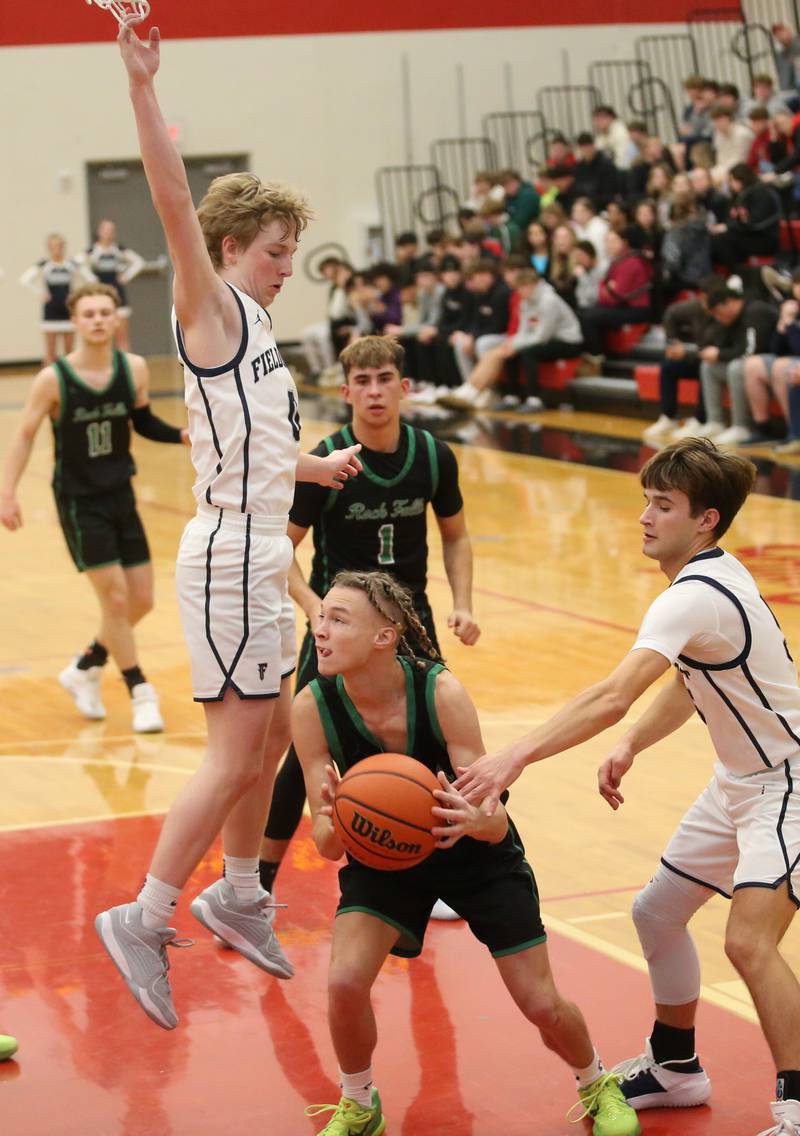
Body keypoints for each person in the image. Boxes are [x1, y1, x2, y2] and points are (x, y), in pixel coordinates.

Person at [92, 22, 363, 1030]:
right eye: (276, 252)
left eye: (291, 251)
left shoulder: (261, 335)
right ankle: (143, 914)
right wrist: (140, 83)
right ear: (231, 250)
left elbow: (246, 442)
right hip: (228, 554)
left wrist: (314, 466)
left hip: (256, 543)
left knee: (268, 740)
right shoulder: (208, 306)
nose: (289, 265)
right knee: (235, 751)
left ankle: (240, 892)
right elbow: (171, 197)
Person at [456, 437, 800, 1136]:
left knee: (749, 943)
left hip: (788, 783)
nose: (645, 516)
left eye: (663, 505)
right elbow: (691, 678)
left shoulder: (696, 594)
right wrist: (633, 744)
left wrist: (515, 756)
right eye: (647, 501)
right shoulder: (711, 579)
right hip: (738, 783)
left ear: (705, 520)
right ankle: (675, 1066)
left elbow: (613, 694)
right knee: (657, 913)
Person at [294, 569, 641, 1136]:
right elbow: (329, 848)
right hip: (384, 857)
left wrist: (476, 820)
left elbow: (493, 820)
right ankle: (359, 1104)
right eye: (320, 616)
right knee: (344, 982)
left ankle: (597, 1083)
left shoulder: (440, 693)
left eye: (338, 619)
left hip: (473, 853)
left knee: (540, 1004)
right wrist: (334, 815)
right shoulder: (312, 705)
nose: (321, 629)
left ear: (383, 637)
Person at [260, 335, 480, 908]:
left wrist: (463, 602)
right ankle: (256, 885)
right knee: (302, 756)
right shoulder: (329, 458)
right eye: (363, 381)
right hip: (339, 626)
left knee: (433, 746)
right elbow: (280, 547)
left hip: (410, 622)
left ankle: (440, 874)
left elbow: (456, 537)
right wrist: (312, 605)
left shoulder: (432, 455)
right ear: (345, 391)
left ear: (404, 387)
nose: (375, 391)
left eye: (385, 380)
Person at [0, 282, 186, 732]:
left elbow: (142, 421)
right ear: (75, 321)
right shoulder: (54, 379)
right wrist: (7, 492)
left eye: (105, 312)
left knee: (141, 599)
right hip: (79, 501)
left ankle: (85, 666)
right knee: (116, 599)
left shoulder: (133, 368)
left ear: (116, 318)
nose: (99, 320)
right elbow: (24, 434)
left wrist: (182, 435)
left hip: (122, 493)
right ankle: (140, 690)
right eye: (89, 314)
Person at [19, 234, 89, 364]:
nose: (56, 249)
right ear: (48, 248)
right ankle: (48, 375)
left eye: (59, 246)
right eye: (53, 246)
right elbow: (24, 280)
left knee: (69, 351)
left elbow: (91, 278)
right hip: (51, 310)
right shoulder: (44, 264)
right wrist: (40, 293)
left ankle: (68, 375)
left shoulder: (71, 264)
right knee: (50, 352)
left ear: (63, 247)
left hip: (67, 310)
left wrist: (77, 295)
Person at [77, 219, 145, 351]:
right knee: (100, 336)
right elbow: (76, 264)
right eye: (105, 230)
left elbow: (139, 262)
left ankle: (125, 362)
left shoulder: (118, 249)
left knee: (122, 335)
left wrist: (126, 275)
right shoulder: (93, 250)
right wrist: (92, 278)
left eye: (111, 230)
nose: (107, 233)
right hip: (99, 294)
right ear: (99, 232)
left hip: (118, 294)